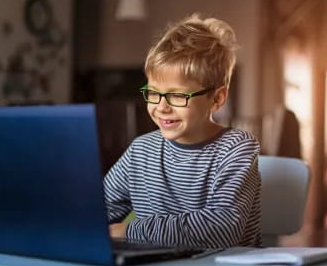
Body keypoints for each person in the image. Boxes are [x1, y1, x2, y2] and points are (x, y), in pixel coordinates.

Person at [105, 13, 261, 249]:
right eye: (154, 93)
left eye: (177, 96)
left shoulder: (237, 147)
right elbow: (96, 211)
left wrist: (126, 230)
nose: (162, 107)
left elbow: (222, 229)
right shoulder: (141, 151)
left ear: (217, 99)